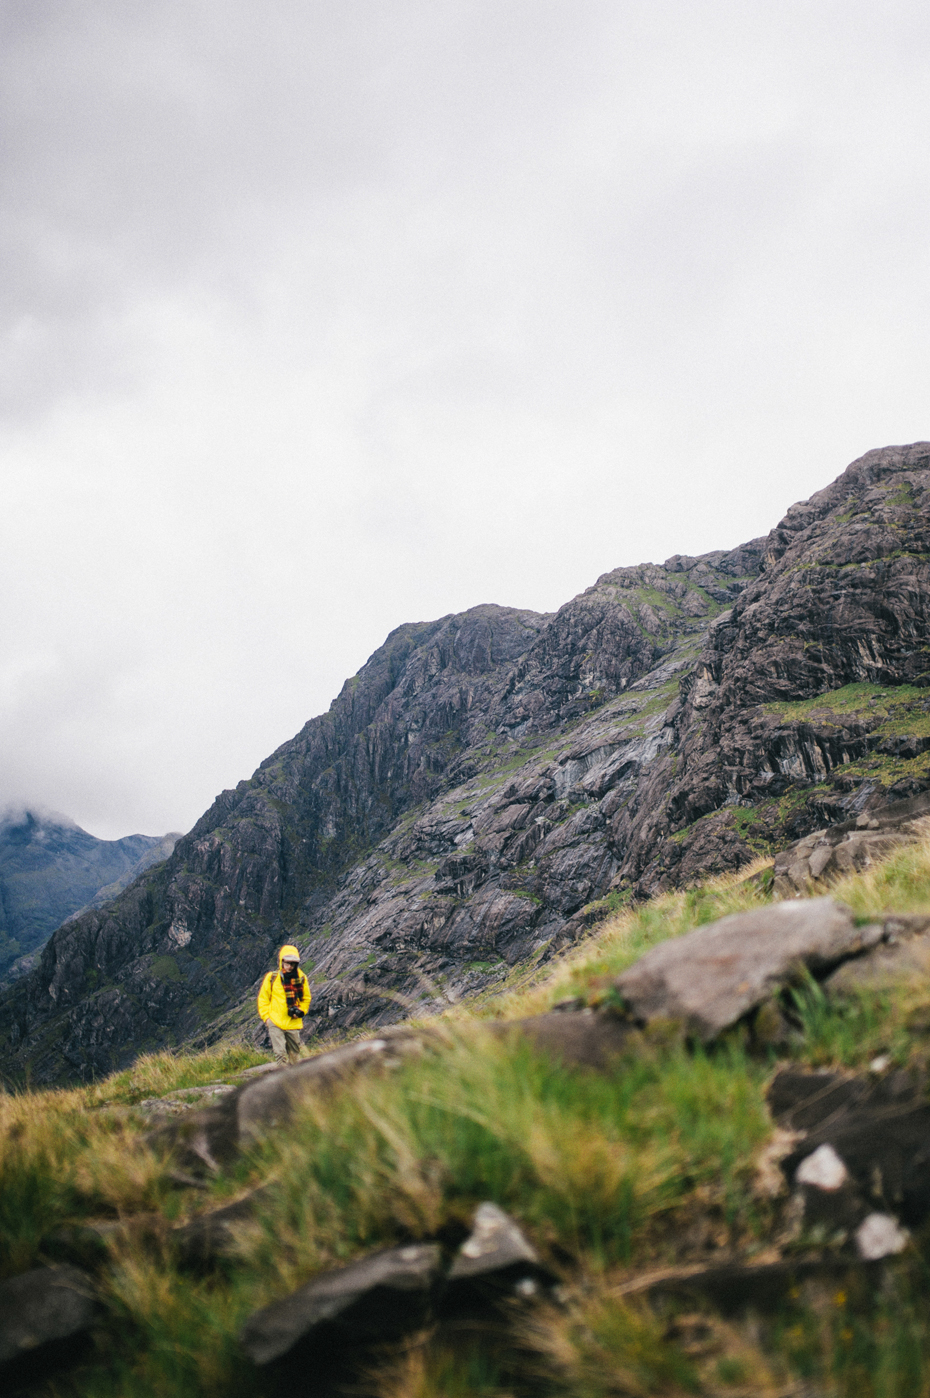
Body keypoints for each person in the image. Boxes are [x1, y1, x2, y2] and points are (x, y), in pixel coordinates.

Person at [257, 944, 312, 1065]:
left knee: (295, 1056)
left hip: (293, 1022)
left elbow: (306, 999)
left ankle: (294, 1080)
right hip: (275, 1022)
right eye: (287, 963)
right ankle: (283, 1081)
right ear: (282, 961)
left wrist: (301, 1011)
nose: (290, 966)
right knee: (280, 1054)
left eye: (293, 964)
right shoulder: (272, 977)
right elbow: (263, 999)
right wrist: (267, 1018)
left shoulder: (302, 978)